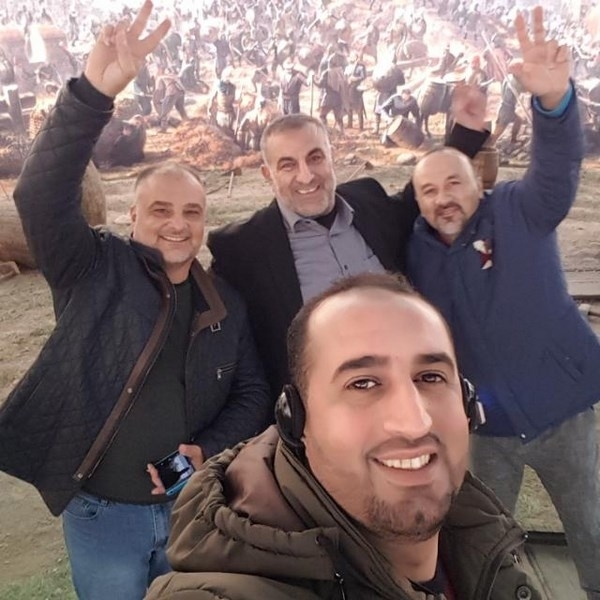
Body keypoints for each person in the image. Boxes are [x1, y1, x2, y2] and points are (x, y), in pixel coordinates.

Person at [0, 3, 271, 599]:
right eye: (161, 210)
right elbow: (40, 195)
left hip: (189, 510)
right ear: (132, 216)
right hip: (103, 519)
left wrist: (206, 449)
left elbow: (251, 392)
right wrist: (93, 95)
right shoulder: (92, 267)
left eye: (192, 212)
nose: (178, 224)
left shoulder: (223, 301)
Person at [145, 272, 541, 600]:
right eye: (363, 383)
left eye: (431, 377)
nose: (415, 422)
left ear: (467, 403)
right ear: (295, 420)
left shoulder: (483, 541)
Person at [407, 8, 600, 599]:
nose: (442, 198)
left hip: (564, 410)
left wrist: (554, 102)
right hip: (485, 428)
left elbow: (558, 167)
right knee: (484, 538)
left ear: (479, 184)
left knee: (593, 526)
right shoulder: (414, 253)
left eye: (454, 183)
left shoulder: (520, 210)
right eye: (428, 190)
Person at [208, 104, 488, 400]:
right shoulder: (242, 248)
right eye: (288, 165)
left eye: (315, 158)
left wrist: (466, 133)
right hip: (329, 408)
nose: (306, 176)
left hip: (413, 387)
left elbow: (414, 202)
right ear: (268, 174)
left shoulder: (368, 200)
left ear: (332, 157)